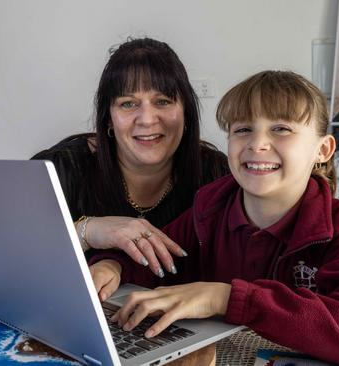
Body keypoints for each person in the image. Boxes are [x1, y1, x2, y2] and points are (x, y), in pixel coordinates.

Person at [90, 71, 339, 366]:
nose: (257, 144)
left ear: (322, 149)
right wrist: (113, 266)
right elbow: (155, 259)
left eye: (281, 129)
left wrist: (227, 298)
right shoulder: (209, 208)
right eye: (243, 129)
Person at [32, 38, 229, 279]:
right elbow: (5, 259)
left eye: (163, 101)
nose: (147, 119)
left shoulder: (217, 174)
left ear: (186, 112)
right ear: (108, 119)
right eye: (128, 103)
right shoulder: (57, 169)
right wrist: (87, 231)